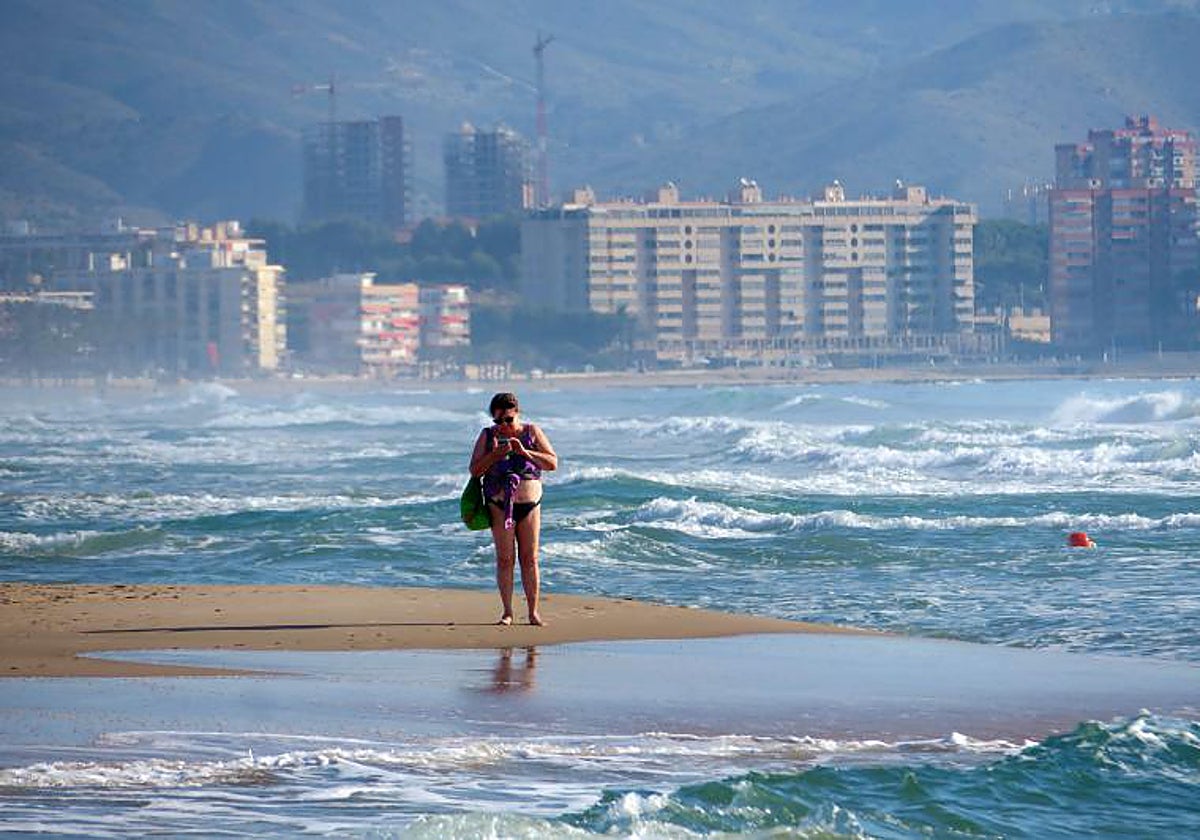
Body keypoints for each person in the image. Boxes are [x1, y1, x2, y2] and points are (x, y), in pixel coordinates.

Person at [469, 392, 558, 626]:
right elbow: (475, 470)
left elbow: (552, 463)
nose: (504, 426)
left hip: (530, 505)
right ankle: (507, 612)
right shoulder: (488, 436)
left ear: (517, 413)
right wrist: (494, 455)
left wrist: (524, 452)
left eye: (508, 420)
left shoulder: (531, 432)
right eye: (498, 421)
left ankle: (533, 612)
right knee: (505, 559)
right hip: (499, 505)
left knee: (530, 559)